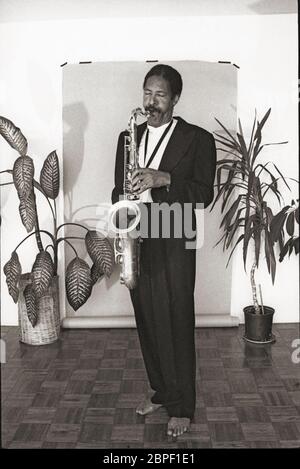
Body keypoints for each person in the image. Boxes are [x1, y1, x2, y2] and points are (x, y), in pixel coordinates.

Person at [112, 64, 216, 437]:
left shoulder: (198, 139)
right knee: (147, 319)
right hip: (138, 234)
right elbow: (117, 190)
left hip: (174, 231)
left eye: (159, 95)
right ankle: (161, 391)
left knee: (175, 318)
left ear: (175, 98)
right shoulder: (129, 136)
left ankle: (182, 405)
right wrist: (122, 216)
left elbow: (204, 193)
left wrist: (163, 179)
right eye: (147, 93)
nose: (151, 102)